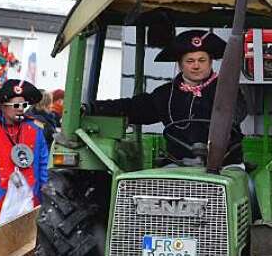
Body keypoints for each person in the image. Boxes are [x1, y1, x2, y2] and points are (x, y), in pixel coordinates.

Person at [90, 29, 245, 166]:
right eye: (190, 61)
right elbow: (134, 108)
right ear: (180, 64)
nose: (196, 66)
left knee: (247, 187)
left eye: (202, 60)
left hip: (225, 165)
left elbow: (237, 112)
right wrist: (93, 108)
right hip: (178, 164)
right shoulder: (166, 94)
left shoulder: (228, 90)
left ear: (211, 62)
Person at [0, 79, 49, 231]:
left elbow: (44, 167)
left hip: (30, 199)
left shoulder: (35, 130)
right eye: (16, 105)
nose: (20, 109)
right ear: (3, 107)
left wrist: (47, 199)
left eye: (23, 105)